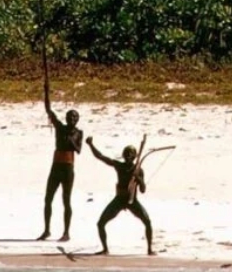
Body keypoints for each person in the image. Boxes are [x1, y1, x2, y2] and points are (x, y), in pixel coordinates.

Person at [88, 138, 154, 256]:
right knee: (100, 223)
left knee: (147, 222)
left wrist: (139, 179)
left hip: (132, 201)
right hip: (119, 200)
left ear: (134, 157)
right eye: (126, 154)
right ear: (123, 155)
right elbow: (101, 157)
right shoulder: (119, 166)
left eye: (130, 154)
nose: (128, 156)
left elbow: (143, 190)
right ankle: (105, 249)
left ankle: (150, 249)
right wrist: (91, 144)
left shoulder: (138, 170)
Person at [36, 96, 82, 242]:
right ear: (66, 118)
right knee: (48, 199)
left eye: (74, 117)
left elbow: (78, 149)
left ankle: (66, 232)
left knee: (66, 200)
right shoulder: (60, 128)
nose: (71, 119)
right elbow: (49, 110)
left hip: (68, 167)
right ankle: (47, 230)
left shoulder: (78, 133)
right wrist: (46, 92)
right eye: (69, 116)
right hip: (56, 166)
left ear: (77, 120)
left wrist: (71, 140)